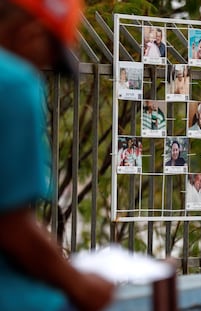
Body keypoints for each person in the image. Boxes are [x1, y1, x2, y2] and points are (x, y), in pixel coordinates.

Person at [0, 0, 115, 310]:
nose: (42, 70)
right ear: (30, 34)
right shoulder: (13, 83)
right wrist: (81, 285)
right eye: (50, 57)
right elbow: (12, 227)